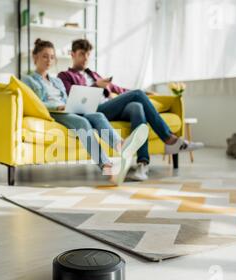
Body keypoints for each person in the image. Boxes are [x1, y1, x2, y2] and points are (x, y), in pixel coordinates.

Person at [58, 39, 204, 181]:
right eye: (82, 54)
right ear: (72, 54)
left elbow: (119, 90)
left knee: (137, 107)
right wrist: (96, 86)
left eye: (88, 54)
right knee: (137, 94)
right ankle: (169, 138)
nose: (86, 58)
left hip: (110, 106)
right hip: (95, 111)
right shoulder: (65, 76)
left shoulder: (94, 74)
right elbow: (72, 96)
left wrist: (148, 94)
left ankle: (142, 164)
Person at [22, 39, 148, 185]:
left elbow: (67, 97)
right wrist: (57, 107)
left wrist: (71, 104)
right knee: (82, 122)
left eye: (51, 57)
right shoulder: (28, 80)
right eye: (45, 56)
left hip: (67, 108)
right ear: (35, 57)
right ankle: (107, 167)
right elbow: (35, 103)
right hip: (53, 112)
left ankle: (121, 145)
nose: (49, 60)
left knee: (98, 115)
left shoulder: (57, 81)